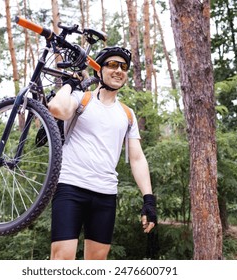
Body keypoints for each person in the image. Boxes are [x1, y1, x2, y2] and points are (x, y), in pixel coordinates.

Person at [47, 46, 157, 260]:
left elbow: (137, 158)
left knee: (97, 262)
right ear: (99, 71)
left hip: (105, 194)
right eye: (112, 65)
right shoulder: (82, 99)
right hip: (71, 186)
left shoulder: (127, 114)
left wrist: (149, 199)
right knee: (62, 257)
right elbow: (57, 109)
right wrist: (70, 85)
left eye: (124, 67)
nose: (119, 70)